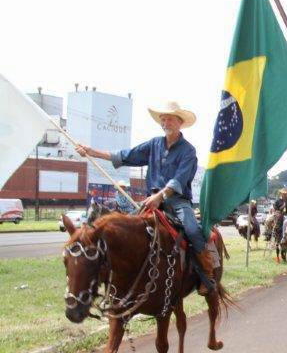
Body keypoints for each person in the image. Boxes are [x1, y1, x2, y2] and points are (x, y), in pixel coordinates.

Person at [75, 101, 216, 296]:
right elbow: (125, 155)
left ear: (180, 122)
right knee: (126, 228)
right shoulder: (154, 144)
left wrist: (161, 196)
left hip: (177, 201)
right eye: (163, 119)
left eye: (170, 119)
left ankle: (206, 273)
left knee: (192, 229)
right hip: (150, 199)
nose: (166, 122)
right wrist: (92, 152)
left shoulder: (188, 151)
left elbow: (179, 180)